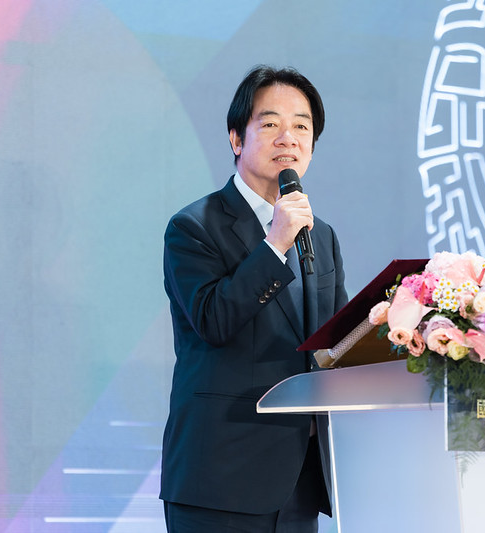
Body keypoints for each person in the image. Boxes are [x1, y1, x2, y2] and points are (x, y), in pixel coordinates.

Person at [160, 65, 348, 533]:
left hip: (300, 481)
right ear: (236, 139)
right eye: (270, 124)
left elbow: (335, 343)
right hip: (220, 478)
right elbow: (214, 321)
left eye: (301, 126)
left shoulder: (322, 235)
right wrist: (275, 243)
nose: (288, 137)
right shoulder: (193, 227)